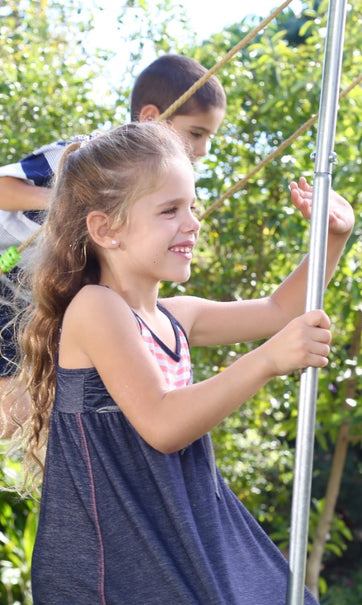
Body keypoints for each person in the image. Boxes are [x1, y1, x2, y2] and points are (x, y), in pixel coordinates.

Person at [16, 121, 351, 605]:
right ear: (106, 230)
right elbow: (164, 427)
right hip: (126, 535)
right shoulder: (95, 310)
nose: (191, 222)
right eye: (170, 209)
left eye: (192, 205)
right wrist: (267, 362)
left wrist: (334, 237)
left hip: (192, 522)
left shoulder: (177, 316)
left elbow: (281, 307)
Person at [0, 54, 227, 437]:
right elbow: (4, 186)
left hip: (58, 279)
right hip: (13, 276)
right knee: (15, 393)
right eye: (196, 133)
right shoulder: (87, 158)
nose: (203, 149)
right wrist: (64, 202)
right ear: (152, 117)